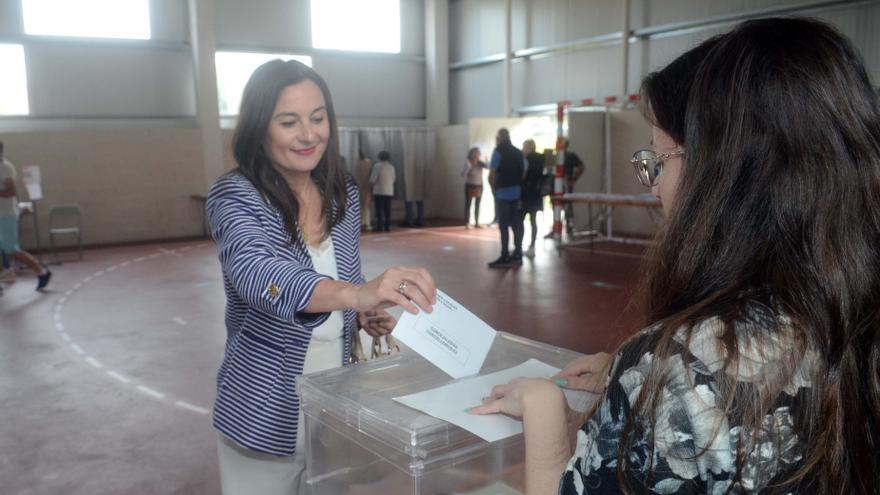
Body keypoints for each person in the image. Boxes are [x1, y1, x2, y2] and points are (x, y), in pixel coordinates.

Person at [470, 17, 880, 495]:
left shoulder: (683, 363)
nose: (657, 186)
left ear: (724, 173)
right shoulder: (851, 310)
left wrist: (545, 408)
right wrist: (634, 386)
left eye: (659, 161)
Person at [206, 59, 436, 495]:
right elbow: (258, 276)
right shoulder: (235, 195)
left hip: (334, 402)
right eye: (288, 122)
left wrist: (365, 311)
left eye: (318, 117)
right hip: (264, 407)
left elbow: (344, 273)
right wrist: (356, 294)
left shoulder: (341, 191)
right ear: (259, 127)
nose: (309, 134)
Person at [0, 141, 50, 291]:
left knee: (11, 249)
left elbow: (11, 192)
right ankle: (4, 274)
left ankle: (42, 272)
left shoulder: (5, 168)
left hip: (6, 214)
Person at [488, 128, 525, 268]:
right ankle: (518, 253)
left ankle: (505, 255)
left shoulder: (498, 151)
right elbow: (523, 172)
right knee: (516, 224)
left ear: (499, 137)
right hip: (516, 192)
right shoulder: (518, 152)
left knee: (503, 226)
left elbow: (492, 173)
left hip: (502, 193)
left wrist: (494, 188)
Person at [545, 139, 584, 237]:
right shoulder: (554, 156)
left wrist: (573, 179)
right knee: (556, 208)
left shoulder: (571, 156)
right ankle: (555, 229)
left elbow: (581, 167)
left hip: (566, 185)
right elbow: (548, 170)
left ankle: (569, 229)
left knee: (567, 207)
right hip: (554, 186)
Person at [520, 140, 544, 257]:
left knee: (520, 220)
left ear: (528, 147)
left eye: (524, 146)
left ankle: (518, 246)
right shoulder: (541, 158)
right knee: (533, 221)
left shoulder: (526, 159)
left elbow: (523, 175)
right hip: (536, 194)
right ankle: (532, 245)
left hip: (526, 194)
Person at [369, 150, 396, 232]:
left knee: (379, 211)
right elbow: (394, 179)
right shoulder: (391, 167)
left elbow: (372, 179)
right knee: (387, 210)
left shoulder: (377, 166)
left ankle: (380, 227)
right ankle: (387, 226)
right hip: (389, 191)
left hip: (379, 191)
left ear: (379, 157)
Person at [462, 147, 486, 228]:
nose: (478, 155)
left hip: (479, 185)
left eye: (479, 154)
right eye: (477, 153)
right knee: (468, 205)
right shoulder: (468, 163)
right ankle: (467, 223)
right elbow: (463, 174)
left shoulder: (480, 163)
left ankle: (476, 222)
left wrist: (485, 160)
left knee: (477, 204)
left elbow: (489, 166)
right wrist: (469, 167)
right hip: (470, 185)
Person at [355, 150, 372, 231]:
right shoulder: (368, 162)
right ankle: (367, 224)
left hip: (358, 186)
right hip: (367, 186)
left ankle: (361, 223)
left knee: (360, 207)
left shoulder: (357, 163)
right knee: (366, 207)